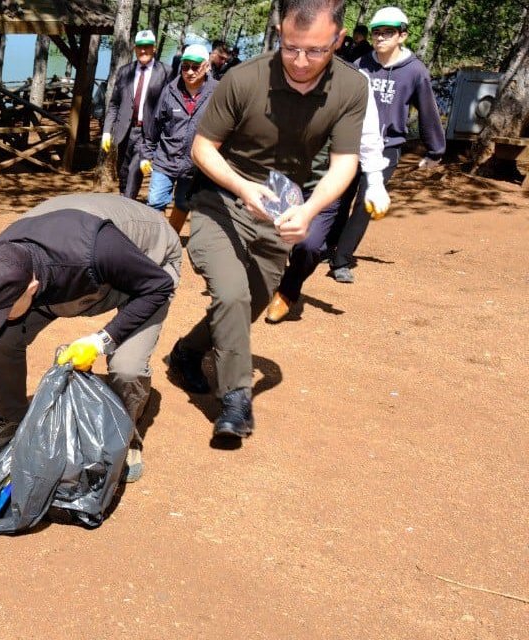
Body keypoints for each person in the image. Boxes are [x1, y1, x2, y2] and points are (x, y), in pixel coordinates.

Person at [166, 0, 369, 443]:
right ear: (280, 35)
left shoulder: (352, 87)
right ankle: (236, 400)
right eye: (291, 48)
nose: (300, 61)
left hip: (282, 202)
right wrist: (242, 187)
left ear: (338, 40)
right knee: (232, 293)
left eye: (315, 51)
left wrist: (310, 211)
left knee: (253, 302)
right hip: (222, 196)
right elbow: (202, 149)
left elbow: (345, 162)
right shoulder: (244, 78)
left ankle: (187, 351)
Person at [0, 194, 180, 482]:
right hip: (72, 270)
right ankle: (10, 416)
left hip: (145, 262)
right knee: (1, 338)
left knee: (127, 366)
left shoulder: (97, 250)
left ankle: (124, 436)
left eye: (2, 310)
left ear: (32, 287)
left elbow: (157, 286)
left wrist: (101, 340)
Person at [326, 6, 445, 284]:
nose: (380, 38)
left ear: (402, 35)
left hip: (387, 147)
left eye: (387, 33)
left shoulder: (415, 71)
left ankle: (341, 259)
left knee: (366, 202)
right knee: (339, 197)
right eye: (376, 33)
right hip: (350, 143)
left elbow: (428, 111)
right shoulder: (361, 64)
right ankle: (326, 246)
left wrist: (435, 150)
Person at [266, 80, 391, 322]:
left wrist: (375, 182)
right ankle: (260, 283)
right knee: (268, 236)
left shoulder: (355, 83)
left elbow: (368, 138)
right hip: (281, 176)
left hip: (325, 183)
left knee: (310, 244)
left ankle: (287, 292)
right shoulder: (280, 71)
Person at [141, 43, 218, 233]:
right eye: (185, 66)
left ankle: (172, 238)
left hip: (195, 164)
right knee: (155, 202)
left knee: (184, 203)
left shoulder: (218, 92)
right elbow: (155, 124)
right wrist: (146, 153)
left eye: (195, 66)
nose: (189, 72)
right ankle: (157, 242)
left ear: (206, 66)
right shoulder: (169, 90)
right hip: (165, 159)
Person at [100, 30, 171, 200]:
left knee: (134, 172)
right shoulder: (125, 71)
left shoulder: (166, 72)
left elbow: (168, 107)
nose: (143, 51)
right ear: (134, 49)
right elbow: (115, 104)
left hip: (147, 134)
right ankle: (125, 202)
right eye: (140, 47)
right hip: (125, 132)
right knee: (123, 173)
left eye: (147, 47)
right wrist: (107, 131)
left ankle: (127, 207)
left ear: (154, 48)